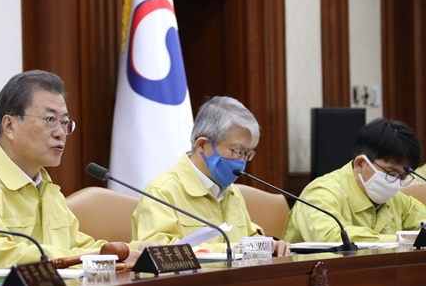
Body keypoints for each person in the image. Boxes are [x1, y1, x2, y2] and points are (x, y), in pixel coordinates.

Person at [0, 70, 151, 269]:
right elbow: (4, 259)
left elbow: (76, 246)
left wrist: (138, 249)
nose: (60, 132)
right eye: (50, 119)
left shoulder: (46, 188)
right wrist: (91, 258)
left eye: (64, 122)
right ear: (9, 126)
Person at [131, 96, 290, 256]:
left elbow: (250, 239)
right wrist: (236, 250)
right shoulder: (162, 191)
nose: (241, 161)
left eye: (246, 153)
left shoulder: (232, 192)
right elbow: (159, 253)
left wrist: (271, 245)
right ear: (202, 145)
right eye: (236, 151)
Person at [283, 118, 426, 243]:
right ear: (360, 164)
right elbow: (331, 237)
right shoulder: (320, 193)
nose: (396, 183)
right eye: (391, 173)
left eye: (402, 176)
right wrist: (401, 240)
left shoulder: (398, 200)